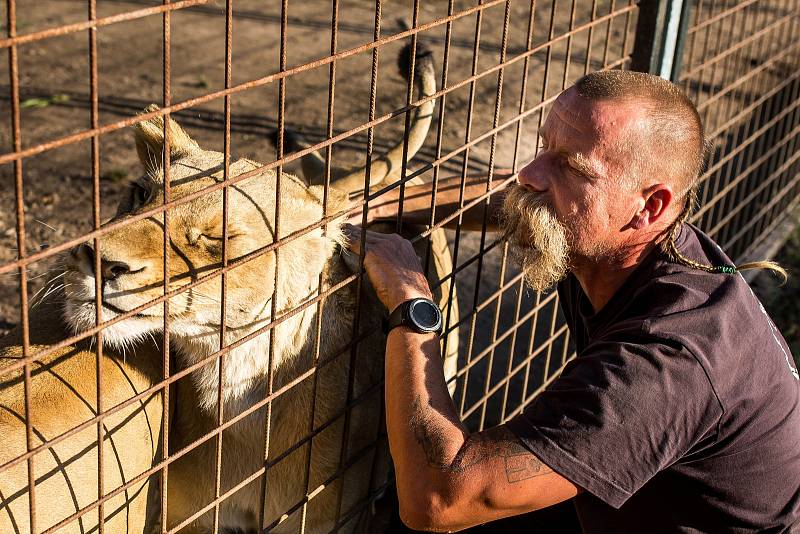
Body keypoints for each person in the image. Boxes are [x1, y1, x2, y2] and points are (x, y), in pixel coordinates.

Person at [342, 70, 800, 533]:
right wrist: (369, 205)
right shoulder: (626, 239)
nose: (530, 173)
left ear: (651, 206)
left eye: (572, 166)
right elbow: (515, 192)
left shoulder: (667, 361)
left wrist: (411, 299)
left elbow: (437, 500)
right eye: (544, 146)